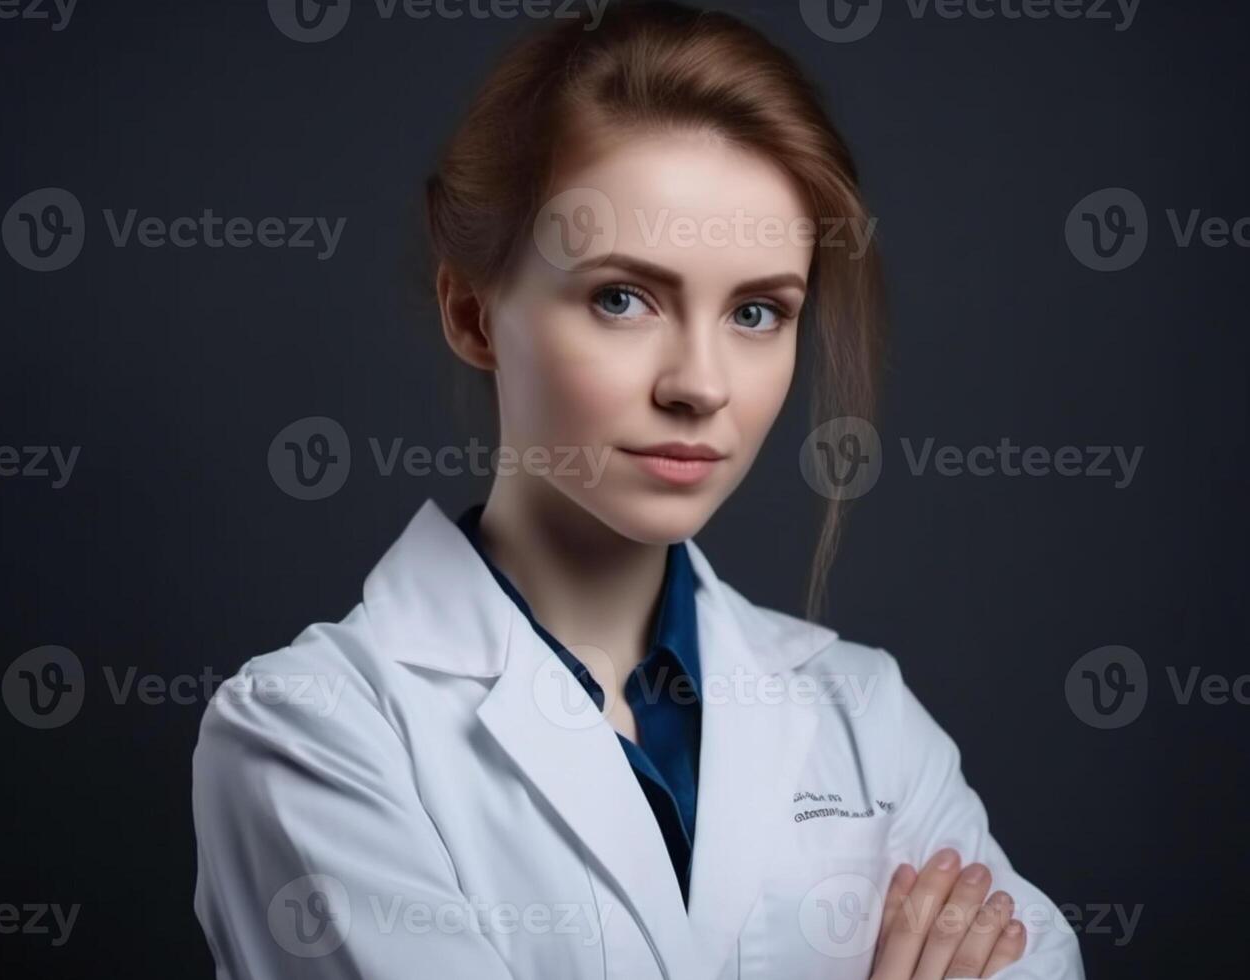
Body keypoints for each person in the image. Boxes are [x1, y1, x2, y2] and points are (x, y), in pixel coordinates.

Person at [191, 3, 1085, 978]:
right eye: (624, 297)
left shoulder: (863, 713)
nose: (700, 383)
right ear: (473, 313)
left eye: (756, 310)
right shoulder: (312, 728)